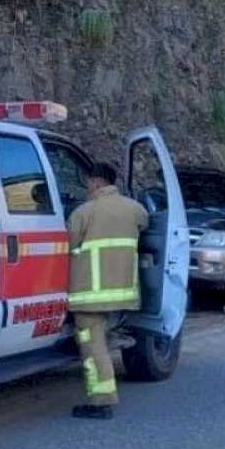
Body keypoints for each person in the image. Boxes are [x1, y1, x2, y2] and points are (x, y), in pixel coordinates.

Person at [68, 162, 148, 420]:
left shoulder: (83, 213)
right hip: (123, 293)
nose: (87, 187)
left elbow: (67, 245)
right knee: (102, 340)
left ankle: (102, 401)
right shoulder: (136, 210)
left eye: (88, 182)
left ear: (96, 182)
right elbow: (145, 227)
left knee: (93, 348)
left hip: (89, 295)